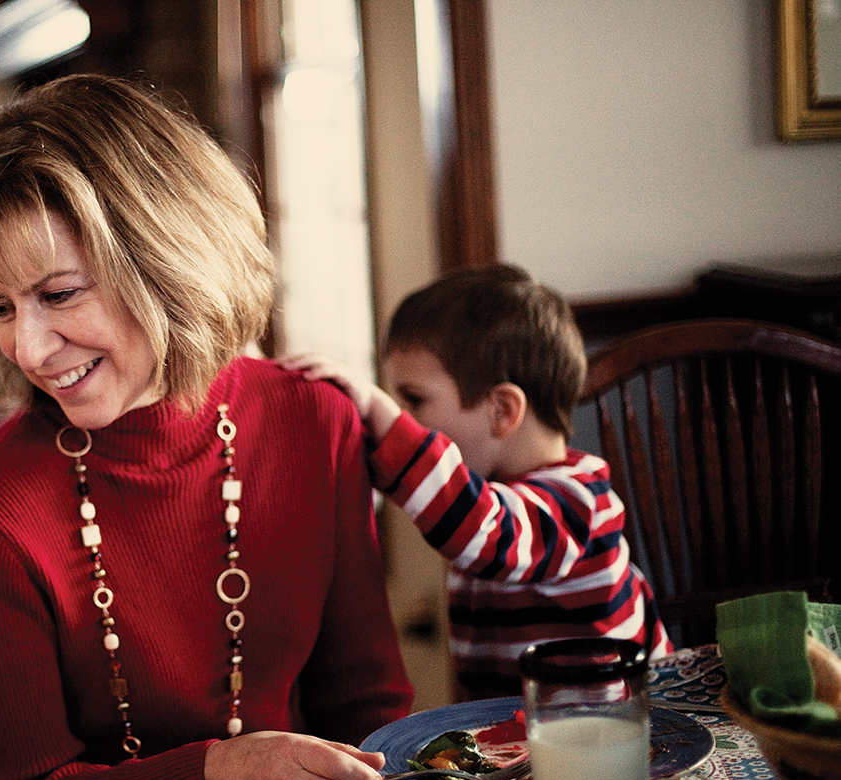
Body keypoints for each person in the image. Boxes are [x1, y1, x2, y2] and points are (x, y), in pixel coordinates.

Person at [0, 74, 414, 780]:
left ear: (170, 258)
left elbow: (368, 710)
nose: (26, 348)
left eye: (59, 294)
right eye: (0, 308)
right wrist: (213, 777)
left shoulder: (313, 423)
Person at [284, 263, 670, 702]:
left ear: (502, 411)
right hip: (519, 737)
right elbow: (436, 491)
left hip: (607, 741)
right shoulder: (473, 495)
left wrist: (381, 412)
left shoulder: (577, 503)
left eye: (414, 400)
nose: (404, 420)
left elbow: (480, 527)